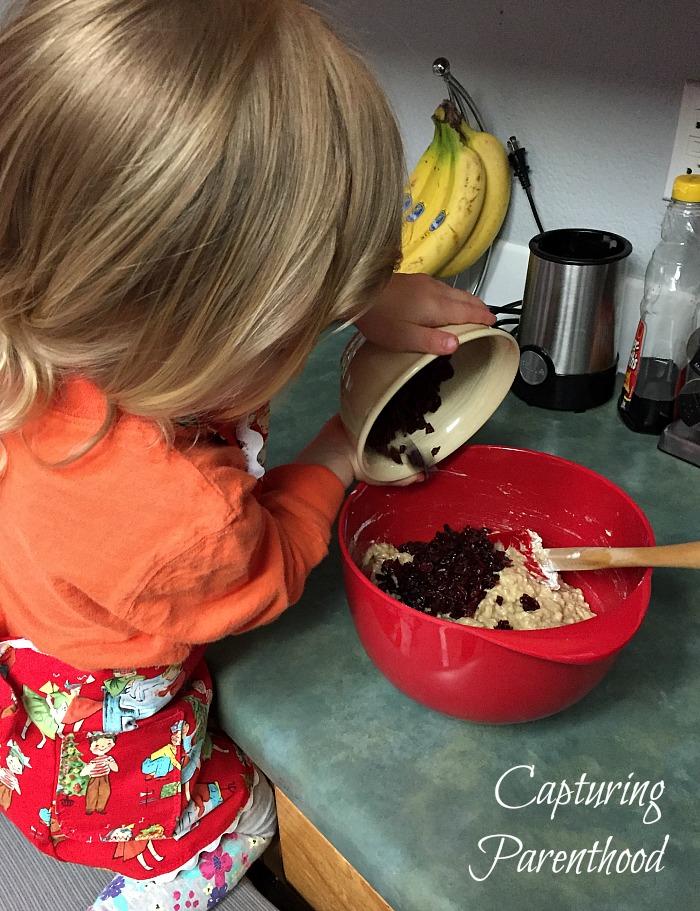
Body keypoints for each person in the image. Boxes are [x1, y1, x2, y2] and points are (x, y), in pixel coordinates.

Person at [0, 1, 494, 909]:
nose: (309, 335)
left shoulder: (58, 319)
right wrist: (342, 447)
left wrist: (360, 296)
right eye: (295, 321)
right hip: (97, 755)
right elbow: (267, 564)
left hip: (23, 634)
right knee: (246, 815)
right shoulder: (188, 515)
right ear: (203, 328)